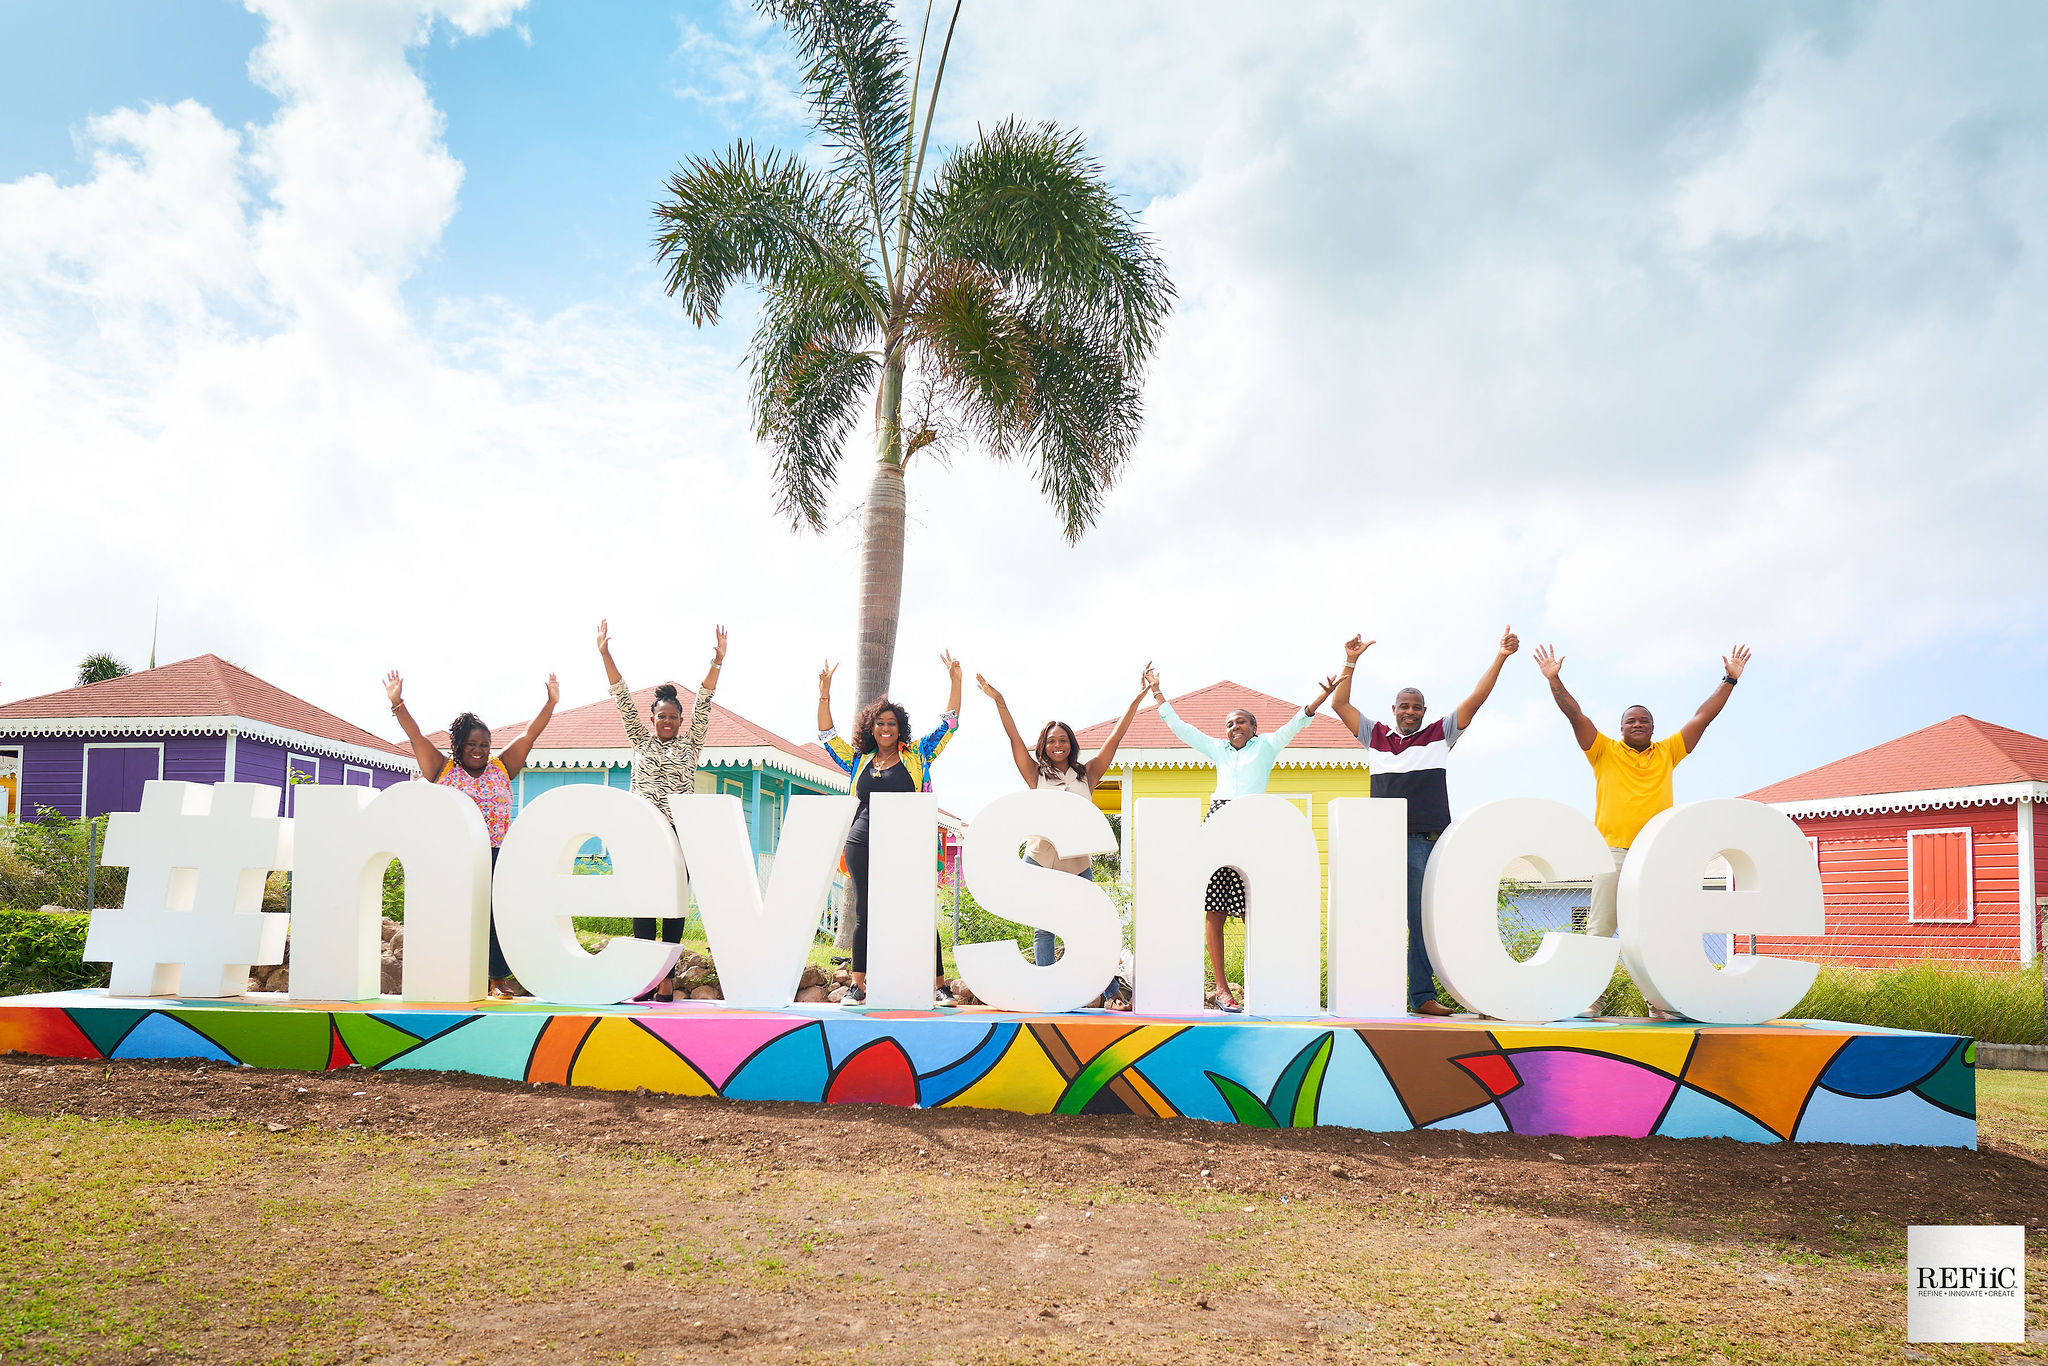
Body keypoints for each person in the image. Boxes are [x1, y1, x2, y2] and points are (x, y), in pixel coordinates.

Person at [1534, 641, 1750, 1013]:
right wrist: (1554, 680)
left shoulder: (1667, 752)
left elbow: (1702, 717)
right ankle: (1590, 998)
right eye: (1630, 721)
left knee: (1654, 930)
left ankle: (1659, 1002)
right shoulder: (1603, 751)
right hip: (1612, 853)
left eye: (1643, 721)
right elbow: (1575, 715)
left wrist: (1729, 680)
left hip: (1654, 855)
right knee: (1600, 929)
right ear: (1621, 728)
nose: (1637, 725)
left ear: (1652, 728)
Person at [1329, 627, 1519, 1017]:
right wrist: (1351, 661)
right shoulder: (1375, 736)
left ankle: (1421, 996)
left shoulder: (1439, 735)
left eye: (1416, 707)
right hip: (1381, 842)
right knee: (1376, 917)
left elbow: (1477, 699)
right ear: (1394, 709)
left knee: (1421, 920)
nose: (1410, 712)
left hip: (1423, 841)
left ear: (1424, 712)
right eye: (1404, 706)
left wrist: (1500, 656)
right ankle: (1369, 994)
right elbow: (1340, 703)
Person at [1145, 669, 1342, 1012]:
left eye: (1240, 722)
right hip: (1220, 820)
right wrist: (1158, 693)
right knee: (1215, 909)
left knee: (1258, 909)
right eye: (1229, 724)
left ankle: (1268, 985)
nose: (1234, 727)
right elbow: (1182, 729)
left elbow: (1297, 722)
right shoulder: (1218, 749)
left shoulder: (1267, 745)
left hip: (1253, 822)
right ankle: (1222, 990)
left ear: (1253, 727)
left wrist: (1322, 697)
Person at [384, 670, 559, 999]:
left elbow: (530, 734)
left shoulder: (501, 767)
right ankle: (449, 975)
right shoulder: (443, 769)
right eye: (472, 744)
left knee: (496, 916)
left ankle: (496, 979)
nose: (479, 750)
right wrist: (397, 703)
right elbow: (416, 736)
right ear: (459, 746)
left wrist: (550, 703)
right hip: (455, 856)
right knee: (456, 916)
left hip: (495, 853)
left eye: (484, 745)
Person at [976, 664, 1154, 978]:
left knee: (1087, 926)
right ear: (1043, 746)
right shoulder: (1035, 775)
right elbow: (1014, 737)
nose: (1057, 745)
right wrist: (999, 700)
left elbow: (1115, 738)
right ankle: (1047, 986)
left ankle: (1106, 988)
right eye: (1051, 741)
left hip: (1077, 863)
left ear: (1071, 743)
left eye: (1063, 740)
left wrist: (1138, 698)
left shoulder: (1088, 774)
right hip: (1040, 859)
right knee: (1044, 927)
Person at [818, 652, 963, 1007]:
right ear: (871, 728)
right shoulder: (858, 759)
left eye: (892, 724)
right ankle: (858, 986)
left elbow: (949, 726)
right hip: (863, 841)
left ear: (900, 729)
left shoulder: (917, 755)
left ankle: (938, 986)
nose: (886, 728)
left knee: (918, 909)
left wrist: (955, 681)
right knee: (865, 913)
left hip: (907, 842)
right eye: (880, 723)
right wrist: (824, 693)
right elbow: (827, 736)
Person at [597, 618, 725, 1002]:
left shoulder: (691, 745)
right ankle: (645, 977)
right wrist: (605, 653)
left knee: (671, 905)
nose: (667, 721)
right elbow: (621, 696)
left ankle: (666, 979)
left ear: (681, 721)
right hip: (643, 832)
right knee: (643, 904)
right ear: (651, 719)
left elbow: (705, 701)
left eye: (673, 717)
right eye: (661, 716)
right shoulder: (640, 741)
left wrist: (717, 662)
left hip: (677, 834)